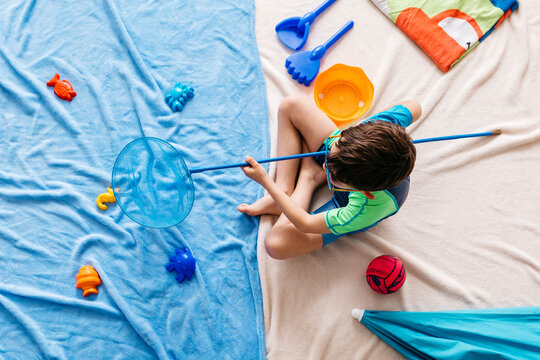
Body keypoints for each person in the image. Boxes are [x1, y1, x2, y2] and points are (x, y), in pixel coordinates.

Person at [237, 94, 421, 260]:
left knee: (276, 245)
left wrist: (266, 182)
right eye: (336, 148)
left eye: (333, 175)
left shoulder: (364, 208)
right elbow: (415, 106)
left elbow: (305, 223)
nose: (325, 165)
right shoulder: (376, 128)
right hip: (354, 161)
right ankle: (284, 189)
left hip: (346, 202)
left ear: (364, 191)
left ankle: (308, 179)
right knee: (291, 105)